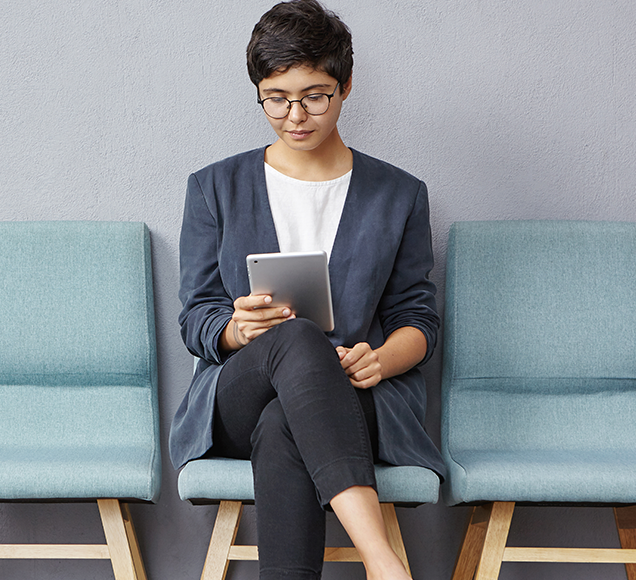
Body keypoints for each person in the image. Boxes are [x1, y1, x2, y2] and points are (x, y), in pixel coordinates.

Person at [169, 1, 446, 579]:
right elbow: (195, 315)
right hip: (239, 392)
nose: (295, 114)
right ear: (260, 92)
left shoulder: (399, 195)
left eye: (314, 95)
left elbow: (418, 319)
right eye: (276, 97)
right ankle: (383, 562)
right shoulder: (213, 188)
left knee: (284, 425)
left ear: (345, 86)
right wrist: (234, 327)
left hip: (354, 394)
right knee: (295, 339)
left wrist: (384, 359)